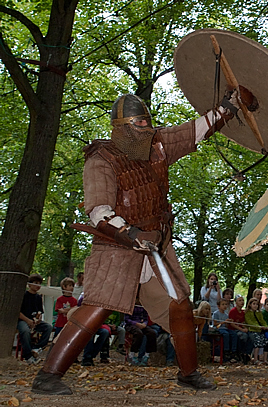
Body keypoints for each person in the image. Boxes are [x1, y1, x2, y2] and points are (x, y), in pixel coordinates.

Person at [32, 91, 244, 394]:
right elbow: (99, 211)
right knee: (98, 308)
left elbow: (193, 131)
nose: (145, 127)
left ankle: (188, 373)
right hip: (117, 247)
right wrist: (130, 234)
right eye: (138, 122)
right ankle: (48, 376)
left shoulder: (158, 145)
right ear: (121, 127)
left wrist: (228, 107)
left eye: (147, 121)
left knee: (180, 306)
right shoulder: (101, 159)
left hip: (156, 245)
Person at [18, 274, 53, 364]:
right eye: (35, 283)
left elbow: (39, 312)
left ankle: (37, 348)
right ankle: (28, 356)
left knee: (48, 327)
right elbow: (18, 312)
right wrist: (28, 320)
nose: (38, 285)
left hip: (34, 321)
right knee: (25, 331)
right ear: (29, 284)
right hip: (23, 320)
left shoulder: (38, 297)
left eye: (39, 283)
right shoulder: (23, 295)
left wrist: (38, 320)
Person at [245, 298, 268, 364]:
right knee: (258, 341)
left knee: (267, 340)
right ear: (250, 304)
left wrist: (266, 327)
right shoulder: (247, 313)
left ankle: (265, 359)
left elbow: (262, 321)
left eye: (256, 304)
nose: (255, 306)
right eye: (254, 304)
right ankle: (256, 359)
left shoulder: (259, 313)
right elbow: (250, 323)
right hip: (253, 331)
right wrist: (259, 327)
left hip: (260, 331)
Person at [212, 298, 238, 362]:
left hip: (225, 328)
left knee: (234, 334)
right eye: (223, 304)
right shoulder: (216, 313)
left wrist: (228, 322)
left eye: (226, 304)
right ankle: (226, 350)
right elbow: (215, 324)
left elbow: (226, 326)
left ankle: (233, 350)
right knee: (226, 334)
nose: (225, 306)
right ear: (219, 306)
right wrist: (224, 322)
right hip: (219, 329)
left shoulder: (226, 315)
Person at [228, 295, 252, 364]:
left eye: (242, 300)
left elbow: (243, 322)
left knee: (251, 336)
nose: (242, 302)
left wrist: (245, 328)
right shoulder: (233, 311)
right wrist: (241, 329)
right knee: (243, 336)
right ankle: (240, 353)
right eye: (240, 300)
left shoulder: (242, 312)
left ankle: (247, 353)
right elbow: (232, 324)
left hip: (241, 329)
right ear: (236, 302)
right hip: (234, 329)